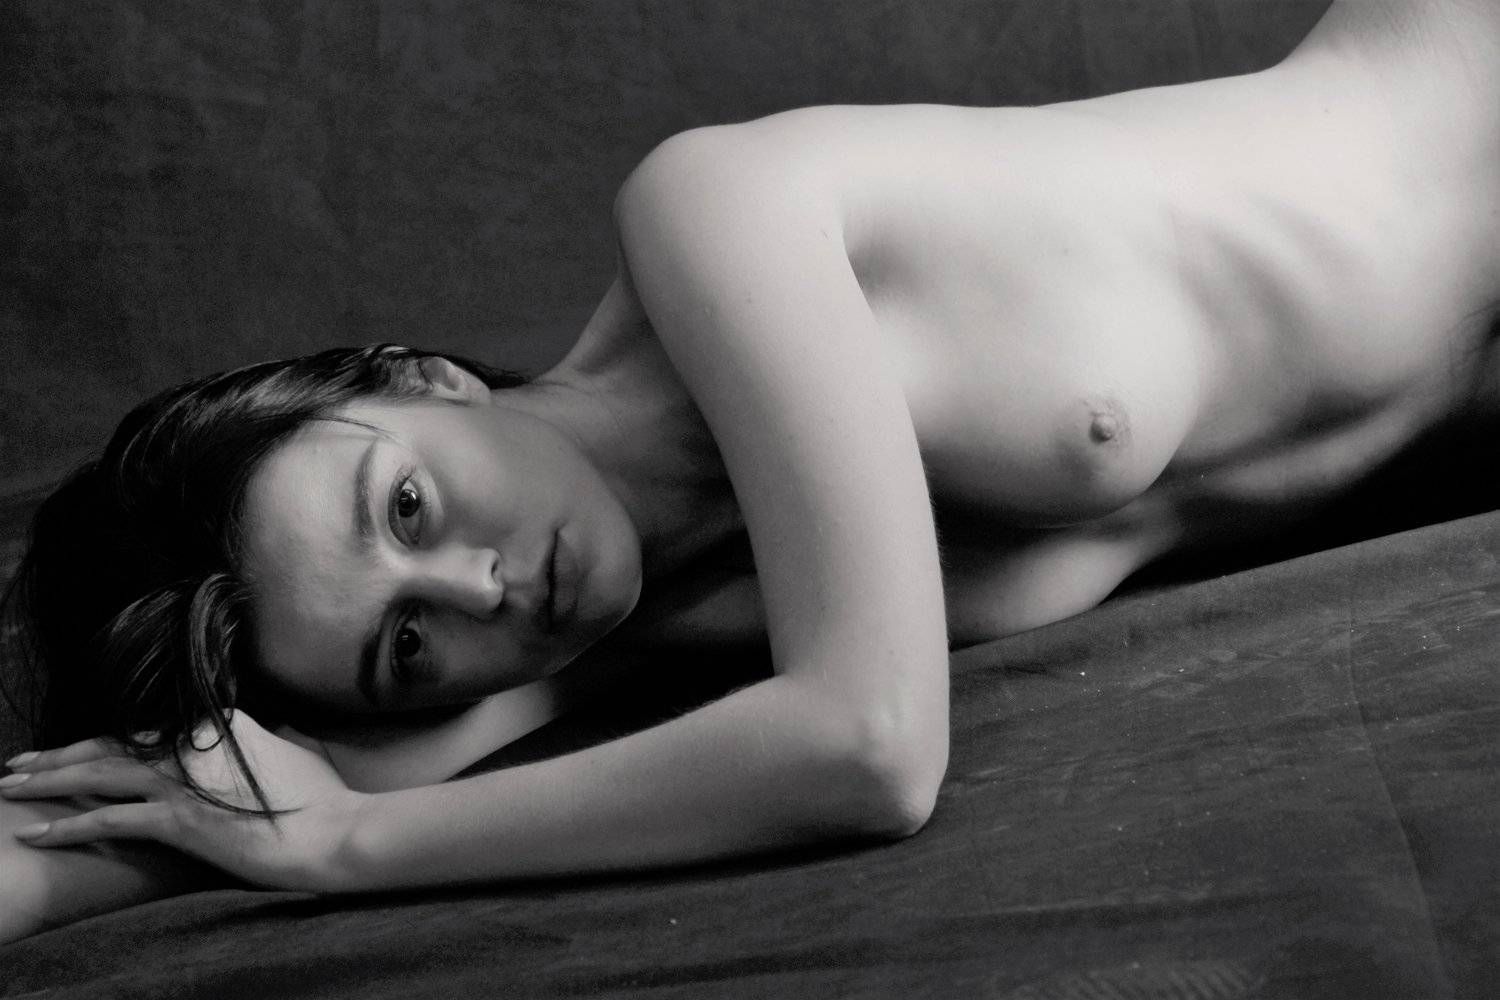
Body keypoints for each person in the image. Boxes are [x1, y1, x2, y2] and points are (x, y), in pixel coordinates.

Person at [2, 0, 1497, 942]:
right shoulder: (632, 636)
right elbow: (156, 824)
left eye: (406, 505)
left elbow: (871, 745)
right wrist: (238, 816)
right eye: (406, 646)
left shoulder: (711, 211)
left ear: (421, 380)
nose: (479, 587)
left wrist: (344, 846)